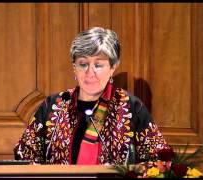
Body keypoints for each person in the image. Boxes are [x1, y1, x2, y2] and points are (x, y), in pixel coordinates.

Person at [13, 27, 170, 165]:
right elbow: (25, 156)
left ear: (113, 67)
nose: (90, 72)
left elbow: (158, 160)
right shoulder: (54, 105)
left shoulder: (131, 107)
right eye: (83, 64)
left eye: (98, 65)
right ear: (74, 68)